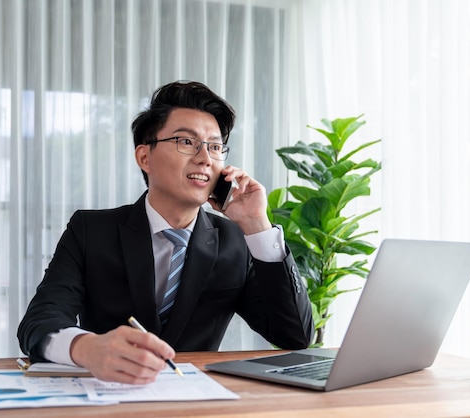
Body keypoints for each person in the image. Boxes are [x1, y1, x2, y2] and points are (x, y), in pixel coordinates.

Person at [17, 80, 313, 384]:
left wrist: (256, 225)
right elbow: (39, 323)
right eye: (187, 142)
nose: (205, 158)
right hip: (109, 394)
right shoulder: (91, 231)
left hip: (197, 400)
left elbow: (295, 335)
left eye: (214, 146)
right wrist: (87, 348)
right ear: (145, 157)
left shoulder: (236, 240)